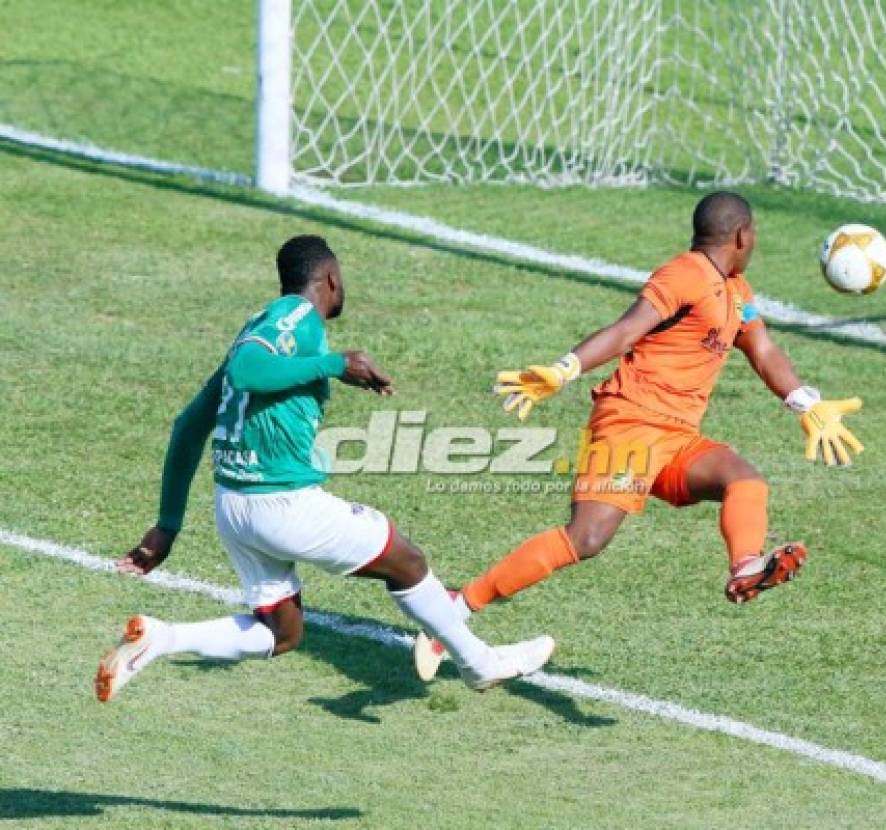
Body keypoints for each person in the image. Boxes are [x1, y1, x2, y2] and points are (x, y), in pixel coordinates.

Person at [413, 192, 863, 680]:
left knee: (745, 480)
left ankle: (746, 567)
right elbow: (627, 330)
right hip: (631, 422)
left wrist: (805, 402)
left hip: (675, 438)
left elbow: (763, 350)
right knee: (586, 538)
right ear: (740, 235)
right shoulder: (685, 274)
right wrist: (566, 369)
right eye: (753, 234)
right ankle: (455, 609)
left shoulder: (738, 292)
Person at [96, 235, 553, 701]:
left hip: (233, 507)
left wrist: (168, 525)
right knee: (408, 562)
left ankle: (162, 638)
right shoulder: (294, 317)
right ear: (331, 278)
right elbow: (247, 372)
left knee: (281, 633)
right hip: (282, 504)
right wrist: (335, 364)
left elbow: (190, 424)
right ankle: (479, 663)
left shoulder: (258, 328)